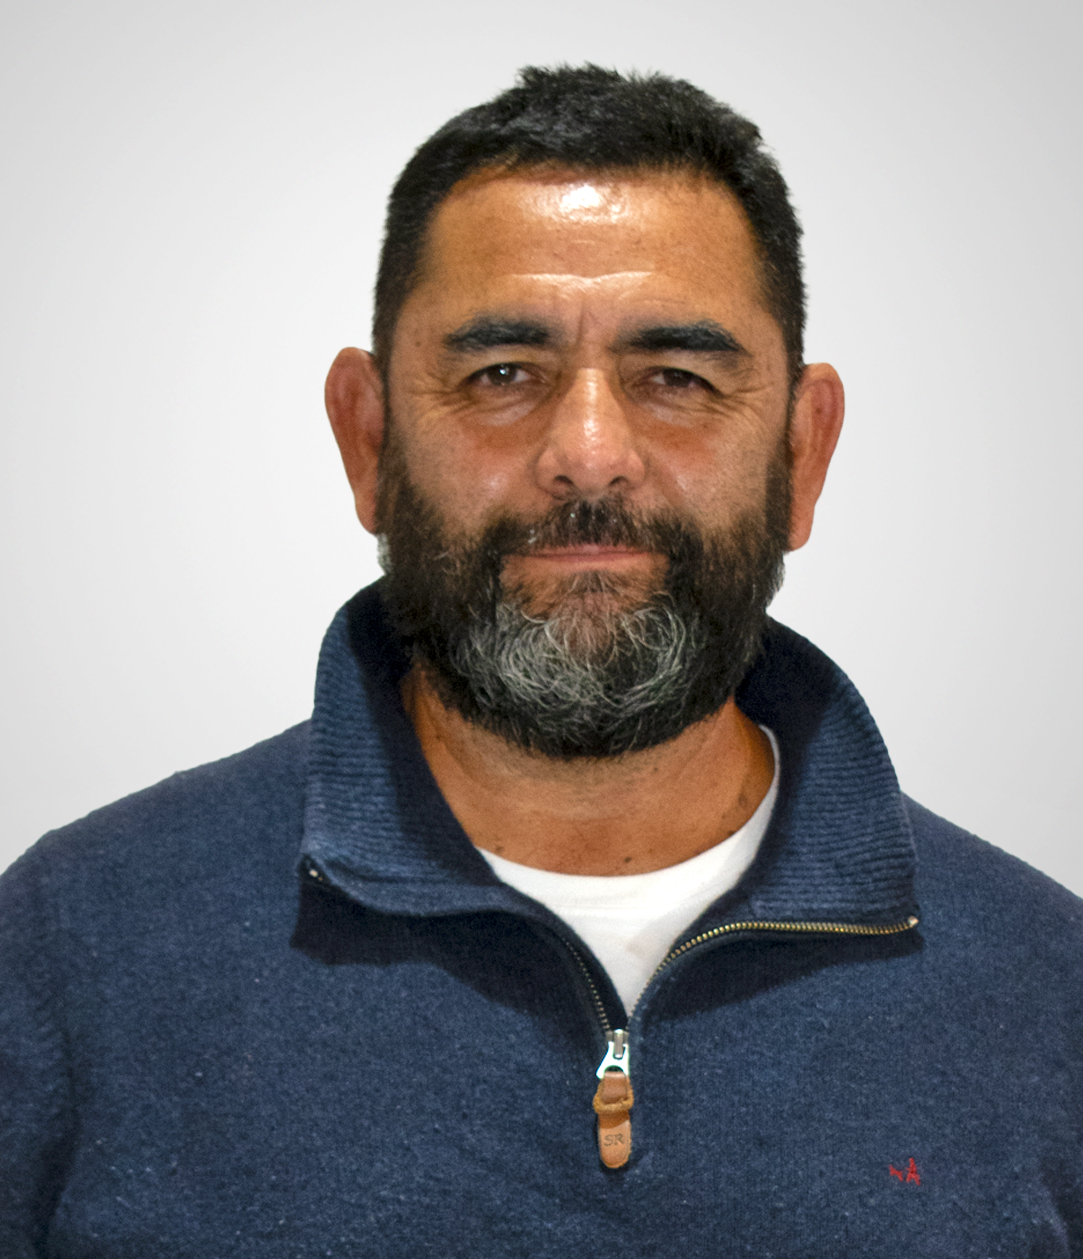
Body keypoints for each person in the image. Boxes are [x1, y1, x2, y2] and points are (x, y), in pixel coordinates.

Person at [2, 64, 1081, 1256]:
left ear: (802, 453)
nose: (589, 452)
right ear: (368, 439)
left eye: (677, 378)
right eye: (502, 374)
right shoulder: (72, 952)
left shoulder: (1049, 993)